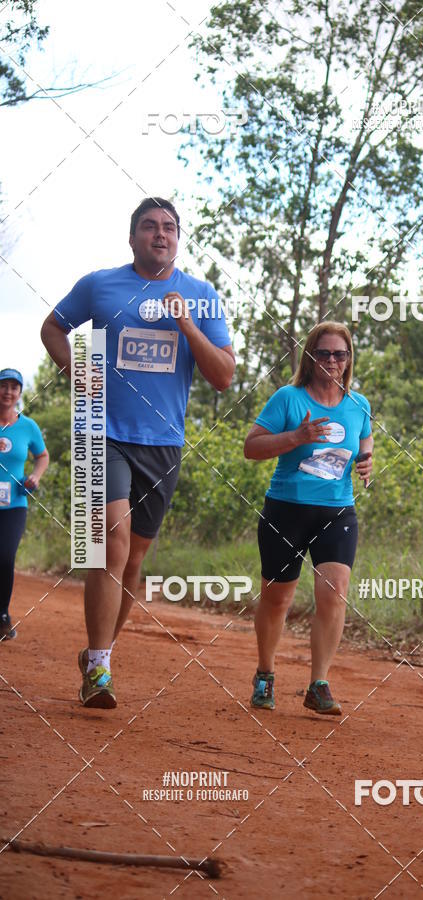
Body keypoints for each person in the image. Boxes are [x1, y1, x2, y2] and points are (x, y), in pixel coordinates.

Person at [41, 197, 235, 708]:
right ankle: (100, 671)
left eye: (169, 227)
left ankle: (97, 654)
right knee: (111, 540)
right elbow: (52, 327)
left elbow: (223, 376)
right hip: (98, 431)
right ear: (132, 238)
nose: (160, 234)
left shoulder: (201, 295)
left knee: (134, 561)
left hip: (163, 442)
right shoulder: (99, 285)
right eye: (149, 226)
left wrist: (188, 324)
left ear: (178, 239)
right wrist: (75, 370)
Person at [244, 322, 373, 715]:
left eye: (340, 354)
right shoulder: (289, 398)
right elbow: (252, 447)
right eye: (324, 353)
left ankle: (319, 684)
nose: (332, 361)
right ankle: (265, 673)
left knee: (334, 592)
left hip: (337, 511)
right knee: (278, 598)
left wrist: (367, 462)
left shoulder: (359, 405)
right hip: (287, 509)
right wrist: (296, 438)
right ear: (310, 356)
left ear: (348, 359)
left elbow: (364, 441)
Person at [0, 368, 49, 641]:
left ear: (19, 393)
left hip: (14, 503)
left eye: (13, 387)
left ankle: (2, 615)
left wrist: (35, 476)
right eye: (3, 386)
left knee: (5, 557)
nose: (8, 392)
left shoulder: (28, 426)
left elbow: (42, 456)